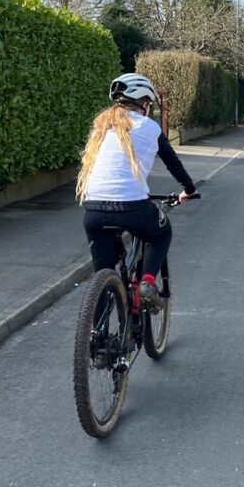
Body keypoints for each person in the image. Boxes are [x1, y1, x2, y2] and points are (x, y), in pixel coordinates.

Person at [78, 73, 198, 310]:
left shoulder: (100, 126)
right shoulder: (149, 126)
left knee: (103, 273)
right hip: (131, 207)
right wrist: (189, 189)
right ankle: (147, 282)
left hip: (93, 210)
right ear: (144, 103)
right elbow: (172, 162)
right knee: (162, 233)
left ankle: (96, 337)